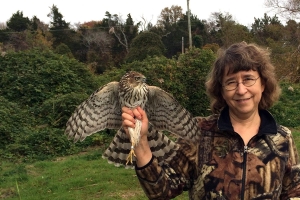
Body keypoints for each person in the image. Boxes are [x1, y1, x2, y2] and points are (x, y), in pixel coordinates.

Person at [121, 42, 300, 199]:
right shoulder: (199, 132)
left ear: (263, 84)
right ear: (221, 90)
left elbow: (294, 194)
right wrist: (141, 143)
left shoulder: (282, 138)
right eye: (231, 82)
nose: (241, 89)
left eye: (248, 79)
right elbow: (161, 191)